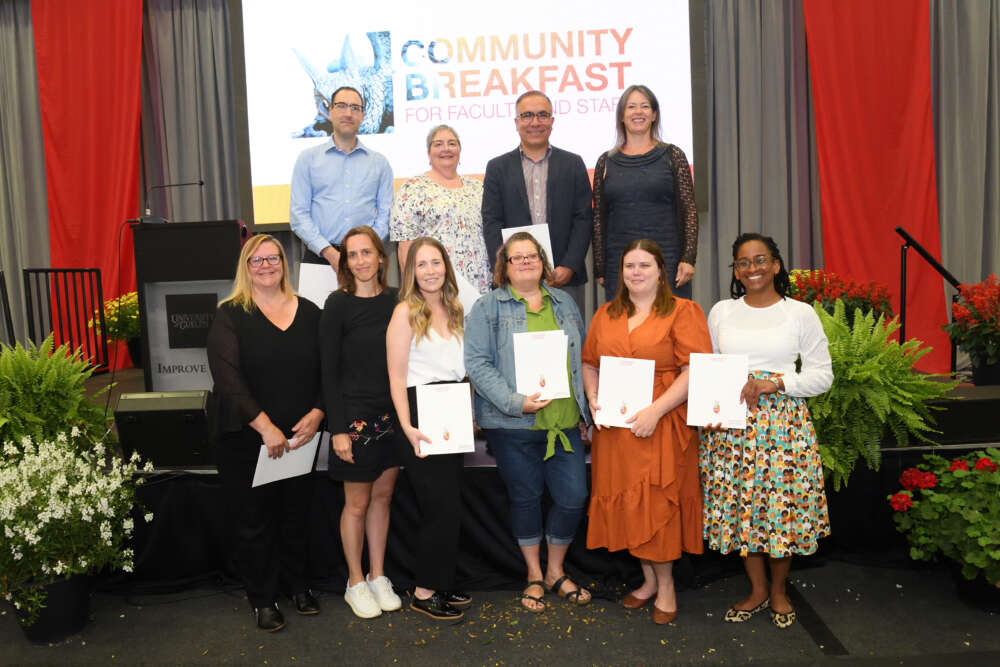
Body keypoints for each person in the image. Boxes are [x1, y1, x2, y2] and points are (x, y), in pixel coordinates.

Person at [700, 233, 833, 629]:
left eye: (760, 260)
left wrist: (774, 383)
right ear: (736, 271)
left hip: (783, 429)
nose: (752, 268)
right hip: (733, 430)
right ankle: (757, 589)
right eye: (743, 262)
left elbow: (823, 375)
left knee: (780, 512)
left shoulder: (800, 313)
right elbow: (709, 366)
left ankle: (778, 589)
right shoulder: (722, 311)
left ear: (776, 264)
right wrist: (708, 406)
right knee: (744, 511)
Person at [581, 238, 712, 625]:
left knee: (658, 505)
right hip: (617, 430)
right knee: (628, 505)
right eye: (629, 266)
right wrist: (592, 398)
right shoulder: (605, 313)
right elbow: (590, 364)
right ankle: (648, 580)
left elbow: (695, 370)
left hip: (663, 424)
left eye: (644, 266)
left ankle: (667, 586)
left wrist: (655, 411)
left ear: (661, 272)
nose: (636, 273)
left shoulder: (684, 312)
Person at [465, 231, 592, 613]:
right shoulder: (487, 307)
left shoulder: (565, 302)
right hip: (513, 425)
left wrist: (586, 411)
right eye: (516, 257)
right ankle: (534, 574)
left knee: (573, 498)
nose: (525, 262)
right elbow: (477, 364)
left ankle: (556, 570)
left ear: (542, 262)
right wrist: (516, 402)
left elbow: (580, 356)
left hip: (564, 422)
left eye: (532, 256)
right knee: (526, 499)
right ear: (503, 266)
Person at [207, 234, 324, 632]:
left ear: (283, 264)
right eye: (256, 260)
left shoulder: (310, 312)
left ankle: (297, 585)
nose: (266, 265)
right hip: (246, 436)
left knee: (295, 516)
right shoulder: (229, 314)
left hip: (300, 437)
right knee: (254, 520)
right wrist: (266, 427)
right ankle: (263, 597)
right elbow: (227, 379)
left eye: (272, 258)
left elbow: (329, 370)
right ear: (246, 267)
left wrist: (318, 412)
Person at [386, 237, 471, 621]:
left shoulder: (455, 309)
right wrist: (407, 426)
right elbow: (396, 377)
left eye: (436, 262)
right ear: (411, 272)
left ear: (446, 266)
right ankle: (423, 591)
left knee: (449, 505)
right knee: (436, 507)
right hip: (419, 413)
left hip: (451, 409)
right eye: (422, 265)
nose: (431, 271)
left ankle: (440, 580)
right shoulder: (404, 312)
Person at [320, 226, 401, 619]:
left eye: (367, 253)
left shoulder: (397, 301)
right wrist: (337, 428)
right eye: (353, 255)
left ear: (381, 257)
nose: (361, 261)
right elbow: (327, 372)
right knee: (357, 503)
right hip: (353, 420)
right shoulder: (337, 305)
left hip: (391, 417)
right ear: (345, 262)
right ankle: (355, 581)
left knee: (382, 498)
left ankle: (378, 575)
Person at [481, 90, 593, 315]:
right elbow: (492, 221)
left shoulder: (573, 163)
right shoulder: (497, 168)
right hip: (515, 280)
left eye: (542, 115)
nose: (535, 122)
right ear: (516, 122)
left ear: (552, 121)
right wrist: (508, 266)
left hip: (565, 279)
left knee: (568, 345)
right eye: (527, 115)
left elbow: (583, 219)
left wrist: (569, 265)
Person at [592, 85, 698, 302]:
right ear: (622, 115)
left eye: (644, 106)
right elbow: (599, 219)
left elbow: (689, 211)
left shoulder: (673, 155)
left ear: (654, 115)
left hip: (667, 261)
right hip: (620, 264)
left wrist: (688, 258)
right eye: (631, 107)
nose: (638, 112)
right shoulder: (605, 161)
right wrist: (601, 268)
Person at [290, 85, 393, 270]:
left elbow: (385, 217)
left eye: (355, 108)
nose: (348, 113)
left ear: (362, 115)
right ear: (330, 111)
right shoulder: (307, 159)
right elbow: (299, 216)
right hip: (319, 258)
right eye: (341, 106)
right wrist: (329, 253)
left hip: (366, 262)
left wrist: (365, 252)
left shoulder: (380, 163)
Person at [390, 125, 491, 294]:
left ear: (459, 150)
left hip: (480, 286)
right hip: (436, 287)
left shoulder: (477, 188)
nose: (446, 149)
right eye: (438, 144)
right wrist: (413, 290)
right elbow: (405, 247)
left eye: (452, 143)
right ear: (429, 153)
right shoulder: (412, 189)